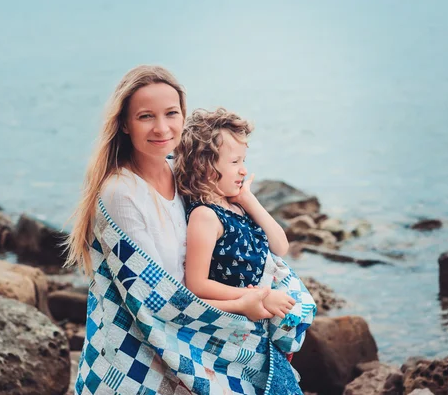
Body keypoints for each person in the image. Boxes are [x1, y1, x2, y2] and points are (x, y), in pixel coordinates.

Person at [65, 65, 304, 395]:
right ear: (124, 124)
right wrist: (247, 301)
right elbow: (157, 297)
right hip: (140, 357)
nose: (162, 127)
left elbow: (234, 247)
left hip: (192, 343)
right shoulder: (121, 193)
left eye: (171, 113)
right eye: (146, 116)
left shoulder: (181, 177)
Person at [175, 107, 305, 393]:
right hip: (233, 328)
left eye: (244, 160)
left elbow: (280, 246)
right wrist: (257, 296)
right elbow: (196, 284)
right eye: (235, 162)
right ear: (206, 167)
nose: (244, 170)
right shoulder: (205, 216)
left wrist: (248, 199)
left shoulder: (236, 205)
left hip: (257, 321)